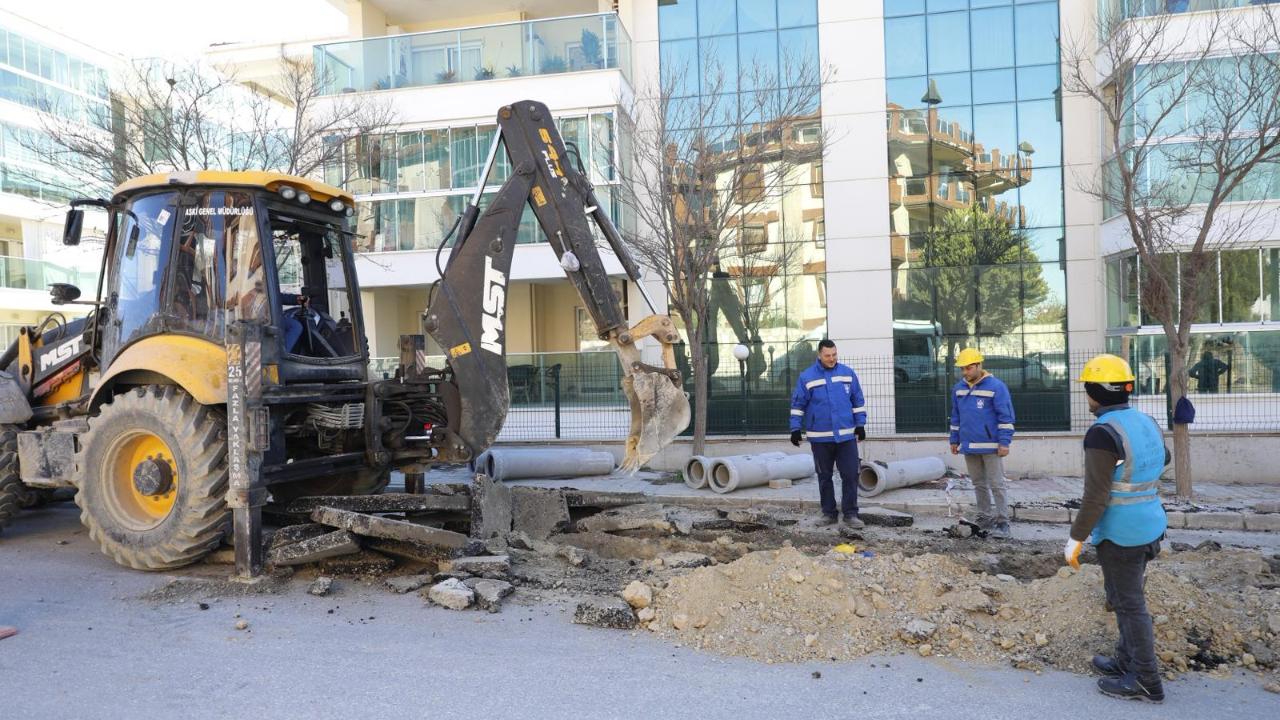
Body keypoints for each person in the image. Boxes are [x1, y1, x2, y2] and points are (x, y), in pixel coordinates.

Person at [1065, 353, 1170, 704]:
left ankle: (1145, 680)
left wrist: (1075, 539)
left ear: (1095, 391)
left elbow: (1095, 496)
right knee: (1125, 597)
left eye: (1087, 388)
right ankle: (1125, 661)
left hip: (1121, 532)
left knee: (1129, 604)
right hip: (1151, 523)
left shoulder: (1102, 434)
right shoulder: (1145, 421)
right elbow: (1163, 460)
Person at [789, 339, 866, 528]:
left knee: (850, 475)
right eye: (827, 356)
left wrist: (860, 425)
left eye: (834, 355)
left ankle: (850, 514)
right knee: (824, 476)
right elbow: (798, 404)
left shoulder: (848, 374)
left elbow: (857, 400)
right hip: (820, 437)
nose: (831, 359)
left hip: (846, 436)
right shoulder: (807, 377)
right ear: (819, 355)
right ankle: (829, 513)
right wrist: (795, 429)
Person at [949, 348, 1015, 539]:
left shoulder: (996, 387)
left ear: (978, 365)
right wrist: (954, 440)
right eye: (962, 369)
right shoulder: (958, 388)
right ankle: (985, 516)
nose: (964, 372)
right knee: (978, 483)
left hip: (991, 445)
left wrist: (1004, 442)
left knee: (996, 483)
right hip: (969, 445)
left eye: (968, 368)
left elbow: (1006, 416)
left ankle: (1003, 521)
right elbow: (956, 416)